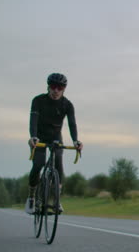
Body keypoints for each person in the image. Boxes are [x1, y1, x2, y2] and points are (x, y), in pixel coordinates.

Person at [25, 73, 83, 214]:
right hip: (39, 137)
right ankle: (32, 197)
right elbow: (33, 120)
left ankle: (56, 200)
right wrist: (33, 137)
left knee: (58, 163)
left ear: (64, 89)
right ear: (48, 87)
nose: (56, 90)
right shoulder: (38, 101)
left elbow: (72, 124)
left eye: (60, 87)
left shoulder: (67, 105)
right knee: (38, 164)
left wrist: (76, 141)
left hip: (56, 137)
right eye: (53, 87)